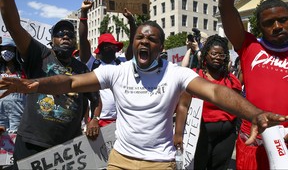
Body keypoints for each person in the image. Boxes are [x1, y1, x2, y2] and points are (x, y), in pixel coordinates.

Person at [0, 20, 287, 169]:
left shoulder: (177, 74)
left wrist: (255, 113)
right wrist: (34, 85)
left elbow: (214, 90)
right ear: (134, 44)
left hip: (159, 164)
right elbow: (71, 83)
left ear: (161, 47)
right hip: (120, 161)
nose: (145, 41)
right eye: (140, 37)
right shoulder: (117, 72)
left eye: (152, 38)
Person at [0, 0, 97, 169]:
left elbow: (96, 100)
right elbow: (13, 24)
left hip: (68, 149)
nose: (65, 37)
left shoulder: (82, 69)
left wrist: (94, 120)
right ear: (52, 40)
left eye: (69, 35)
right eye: (60, 34)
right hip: (31, 143)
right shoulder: (39, 54)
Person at [218, 0, 288, 169]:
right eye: (268, 23)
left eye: (283, 20)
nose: (277, 26)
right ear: (259, 27)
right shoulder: (248, 46)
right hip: (252, 145)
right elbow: (226, 5)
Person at [78, 0, 136, 127]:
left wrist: (131, 21)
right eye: (105, 46)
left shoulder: (123, 63)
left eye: (112, 45)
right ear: (100, 49)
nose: (109, 48)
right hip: (98, 120)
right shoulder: (93, 64)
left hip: (123, 119)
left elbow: (132, 43)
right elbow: (83, 40)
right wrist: (84, 13)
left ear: (116, 48)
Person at [193, 34, 242, 170]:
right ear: (206, 54)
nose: (217, 58)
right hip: (200, 134)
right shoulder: (194, 77)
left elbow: (238, 106)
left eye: (222, 55)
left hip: (226, 135)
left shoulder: (232, 80)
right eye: (214, 54)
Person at [0, 37, 26, 134]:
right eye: (3, 48)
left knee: (15, 138)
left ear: (15, 51)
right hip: (0, 112)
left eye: (10, 49)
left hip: (17, 112)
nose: (6, 51)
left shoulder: (23, 70)